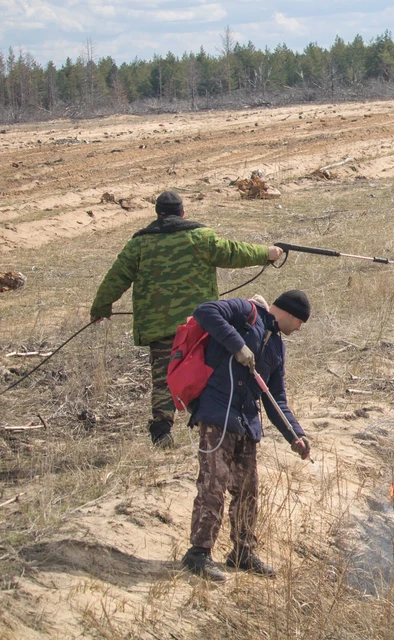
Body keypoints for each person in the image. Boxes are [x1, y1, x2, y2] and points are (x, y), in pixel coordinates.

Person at [89, 190, 284, 448]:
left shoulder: (139, 245)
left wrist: (101, 307)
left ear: (157, 213)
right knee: (202, 371)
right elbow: (234, 252)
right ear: (183, 213)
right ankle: (207, 422)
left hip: (158, 326)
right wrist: (266, 253)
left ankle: (161, 428)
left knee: (163, 377)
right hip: (198, 327)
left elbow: (116, 277)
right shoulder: (200, 238)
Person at [181, 290, 312, 581]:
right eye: (300, 322)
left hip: (247, 423)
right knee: (213, 484)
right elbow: (204, 311)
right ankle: (198, 554)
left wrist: (296, 436)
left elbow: (275, 397)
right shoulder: (245, 312)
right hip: (217, 413)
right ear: (290, 314)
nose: (299, 329)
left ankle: (242, 553)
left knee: (248, 491)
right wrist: (238, 345)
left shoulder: (278, 346)